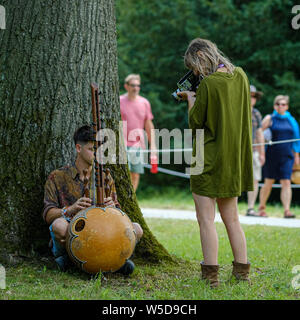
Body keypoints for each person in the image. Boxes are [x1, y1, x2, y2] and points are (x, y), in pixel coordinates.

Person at [177, 38, 253, 287]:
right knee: (232, 219)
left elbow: (196, 123)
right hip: (232, 160)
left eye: (194, 65)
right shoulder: (241, 76)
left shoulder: (208, 84)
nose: (196, 72)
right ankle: (242, 273)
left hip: (206, 159)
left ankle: (211, 277)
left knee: (206, 220)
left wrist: (190, 98)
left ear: (201, 55)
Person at [43, 125, 143, 273]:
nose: (97, 154)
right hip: (75, 230)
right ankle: (69, 260)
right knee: (59, 225)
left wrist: (113, 207)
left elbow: (119, 216)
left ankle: (118, 260)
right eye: (91, 149)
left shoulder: (105, 177)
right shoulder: (57, 177)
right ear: (78, 148)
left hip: (103, 231)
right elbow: (48, 214)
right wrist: (71, 209)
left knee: (137, 229)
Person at [258, 95, 300, 218]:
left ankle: (287, 210)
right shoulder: (270, 118)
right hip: (271, 155)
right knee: (269, 182)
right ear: (274, 105)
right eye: (278, 104)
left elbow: (296, 139)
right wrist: (263, 142)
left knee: (286, 182)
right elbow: (259, 131)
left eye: (283, 104)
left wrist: (297, 155)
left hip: (287, 156)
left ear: (287, 106)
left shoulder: (291, 120)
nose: (280, 106)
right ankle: (262, 208)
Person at [120, 74, 157, 191]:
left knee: (135, 174)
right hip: (122, 144)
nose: (135, 88)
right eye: (132, 85)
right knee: (123, 174)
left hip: (138, 145)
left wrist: (153, 146)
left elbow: (148, 125)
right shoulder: (119, 101)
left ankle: (132, 199)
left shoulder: (144, 103)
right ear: (126, 86)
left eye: (138, 86)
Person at [246, 85, 265, 216]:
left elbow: (259, 133)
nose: (252, 98)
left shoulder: (257, 113)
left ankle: (251, 208)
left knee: (255, 179)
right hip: (238, 151)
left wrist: (262, 152)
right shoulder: (237, 110)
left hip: (253, 150)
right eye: (249, 95)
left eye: (254, 96)